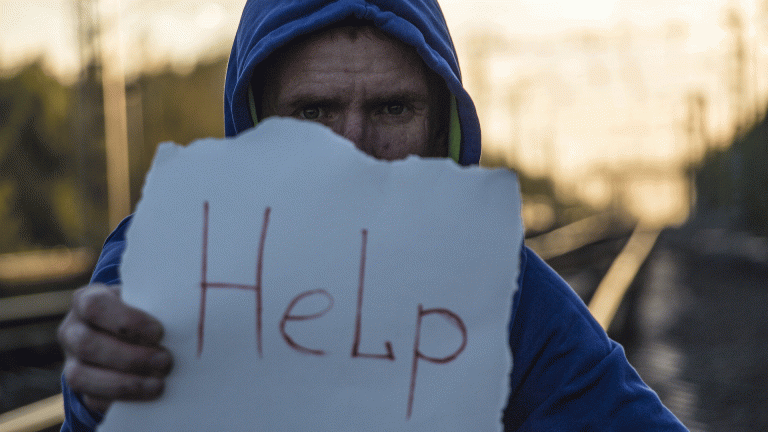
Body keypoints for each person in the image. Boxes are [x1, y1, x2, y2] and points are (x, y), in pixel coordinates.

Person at [57, 0, 689, 430]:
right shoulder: (172, 258)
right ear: (254, 123)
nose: (352, 147)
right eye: (314, 111)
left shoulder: (506, 294)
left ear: (442, 126)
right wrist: (95, 395)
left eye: (391, 109)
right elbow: (107, 377)